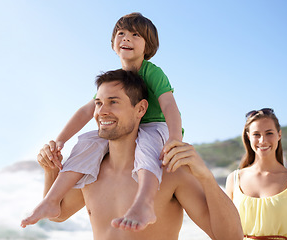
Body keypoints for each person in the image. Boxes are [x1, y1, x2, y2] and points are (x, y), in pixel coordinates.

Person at [27, 69, 243, 239]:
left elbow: (231, 237)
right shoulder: (89, 172)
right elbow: (58, 214)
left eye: (113, 102)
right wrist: (50, 170)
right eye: (99, 103)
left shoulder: (170, 172)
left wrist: (205, 177)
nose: (101, 111)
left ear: (140, 109)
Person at [21, 12, 183, 231]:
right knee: (88, 141)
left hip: (155, 125)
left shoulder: (152, 72)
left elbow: (169, 105)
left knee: (146, 147)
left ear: (148, 46)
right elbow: (86, 111)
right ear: (113, 44)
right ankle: (51, 200)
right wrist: (60, 141)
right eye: (121, 33)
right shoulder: (115, 80)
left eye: (135, 35)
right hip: (124, 129)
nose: (126, 38)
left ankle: (144, 202)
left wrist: (174, 138)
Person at [225, 108, 287, 239]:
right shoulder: (234, 179)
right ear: (248, 137)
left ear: (279, 135)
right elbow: (225, 231)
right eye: (256, 134)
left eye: (269, 133)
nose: (263, 140)